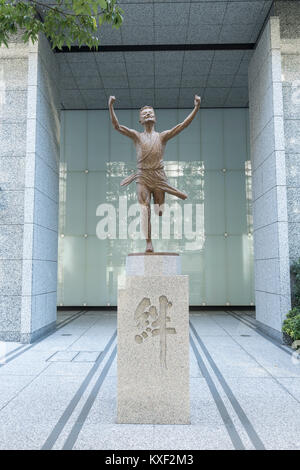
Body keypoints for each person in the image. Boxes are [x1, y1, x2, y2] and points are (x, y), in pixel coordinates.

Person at [108, 94, 201, 252]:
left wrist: (196, 107)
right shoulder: (137, 136)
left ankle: (159, 207)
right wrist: (110, 106)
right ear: (140, 121)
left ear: (155, 118)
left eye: (150, 113)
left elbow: (182, 125)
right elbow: (117, 126)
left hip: (159, 177)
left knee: (158, 210)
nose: (147, 115)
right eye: (144, 114)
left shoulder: (162, 136)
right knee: (145, 209)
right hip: (143, 177)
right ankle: (148, 242)